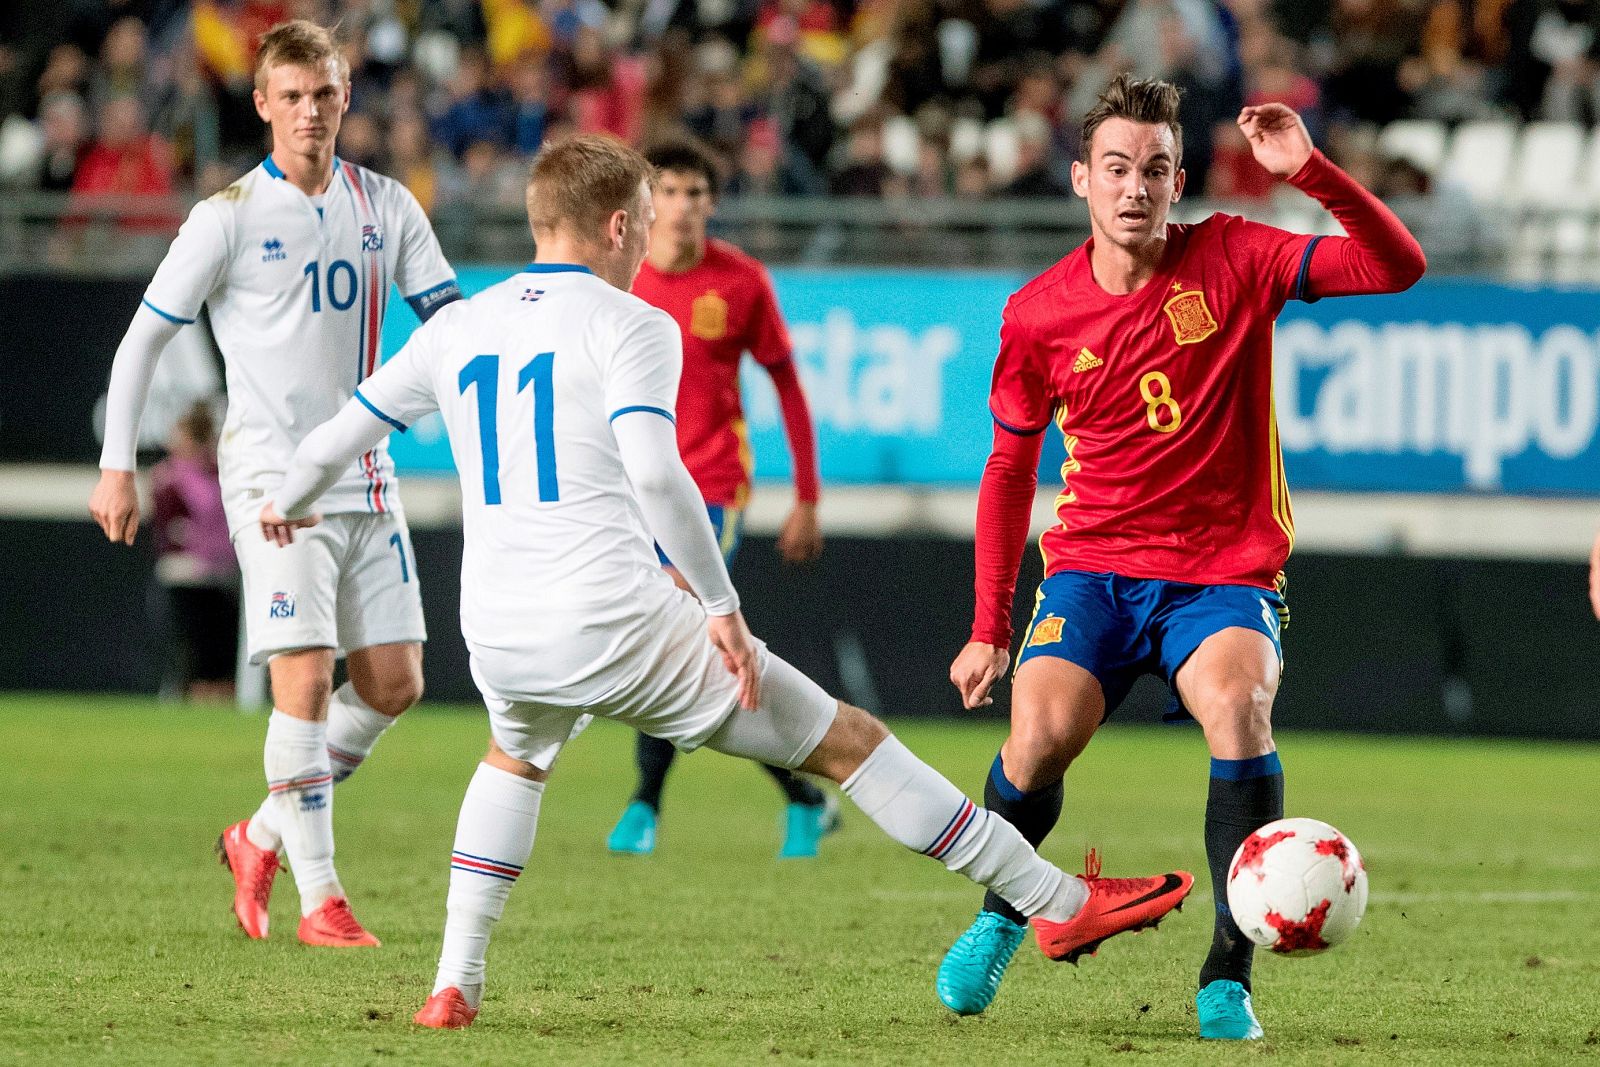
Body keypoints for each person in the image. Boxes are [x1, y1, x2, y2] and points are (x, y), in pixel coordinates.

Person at [257, 134, 1196, 1030]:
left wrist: (285, 500)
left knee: (517, 755)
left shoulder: (456, 329)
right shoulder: (633, 322)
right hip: (617, 620)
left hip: (498, 629)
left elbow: (340, 437)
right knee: (849, 743)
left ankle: (452, 987)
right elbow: (662, 477)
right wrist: (723, 611)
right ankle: (1059, 900)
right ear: (621, 226)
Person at [936, 74, 1425, 1039]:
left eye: (1154, 170)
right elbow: (1006, 469)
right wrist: (989, 624)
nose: (1135, 188)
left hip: (1222, 575)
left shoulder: (1235, 254)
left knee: (1240, 707)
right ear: (1080, 179)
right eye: (1115, 168)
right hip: (1093, 571)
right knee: (1035, 742)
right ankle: (1006, 910)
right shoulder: (1038, 313)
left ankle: (1226, 974)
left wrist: (1313, 171)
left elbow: (1396, 267)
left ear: (1178, 179)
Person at [88, 20, 462, 949]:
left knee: (395, 680)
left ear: (346, 98)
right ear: (261, 104)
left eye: (324, 94)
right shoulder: (225, 216)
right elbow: (143, 340)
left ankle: (256, 834)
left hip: (365, 472)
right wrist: (118, 466)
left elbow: (453, 331)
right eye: (290, 96)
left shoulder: (389, 206)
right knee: (303, 678)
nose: (309, 111)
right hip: (270, 480)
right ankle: (321, 898)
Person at [609, 138, 832, 860]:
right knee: (683, 644)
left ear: (712, 201)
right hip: (629, 487)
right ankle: (802, 795)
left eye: (694, 193)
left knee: (672, 625)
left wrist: (806, 497)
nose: (680, 207)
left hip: (711, 484)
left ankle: (644, 803)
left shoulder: (740, 281)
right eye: (668, 191)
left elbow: (789, 388)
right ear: (648, 200)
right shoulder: (620, 276)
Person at [149, 400, 239, 702]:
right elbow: (166, 526)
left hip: (221, 572)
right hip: (184, 572)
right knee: (191, 645)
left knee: (220, 646)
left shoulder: (221, 473)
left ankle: (217, 696)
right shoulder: (168, 477)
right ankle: (185, 694)